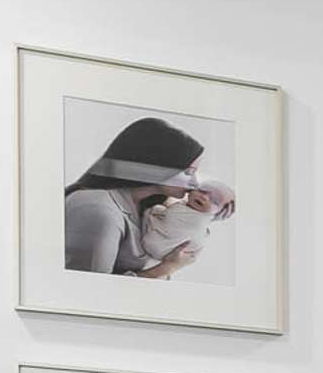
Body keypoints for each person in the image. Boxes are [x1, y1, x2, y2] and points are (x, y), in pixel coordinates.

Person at [63, 117, 232, 279]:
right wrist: (167, 268)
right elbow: (91, 289)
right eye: (188, 172)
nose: (195, 183)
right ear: (158, 167)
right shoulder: (98, 209)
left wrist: (211, 215)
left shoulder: (150, 208)